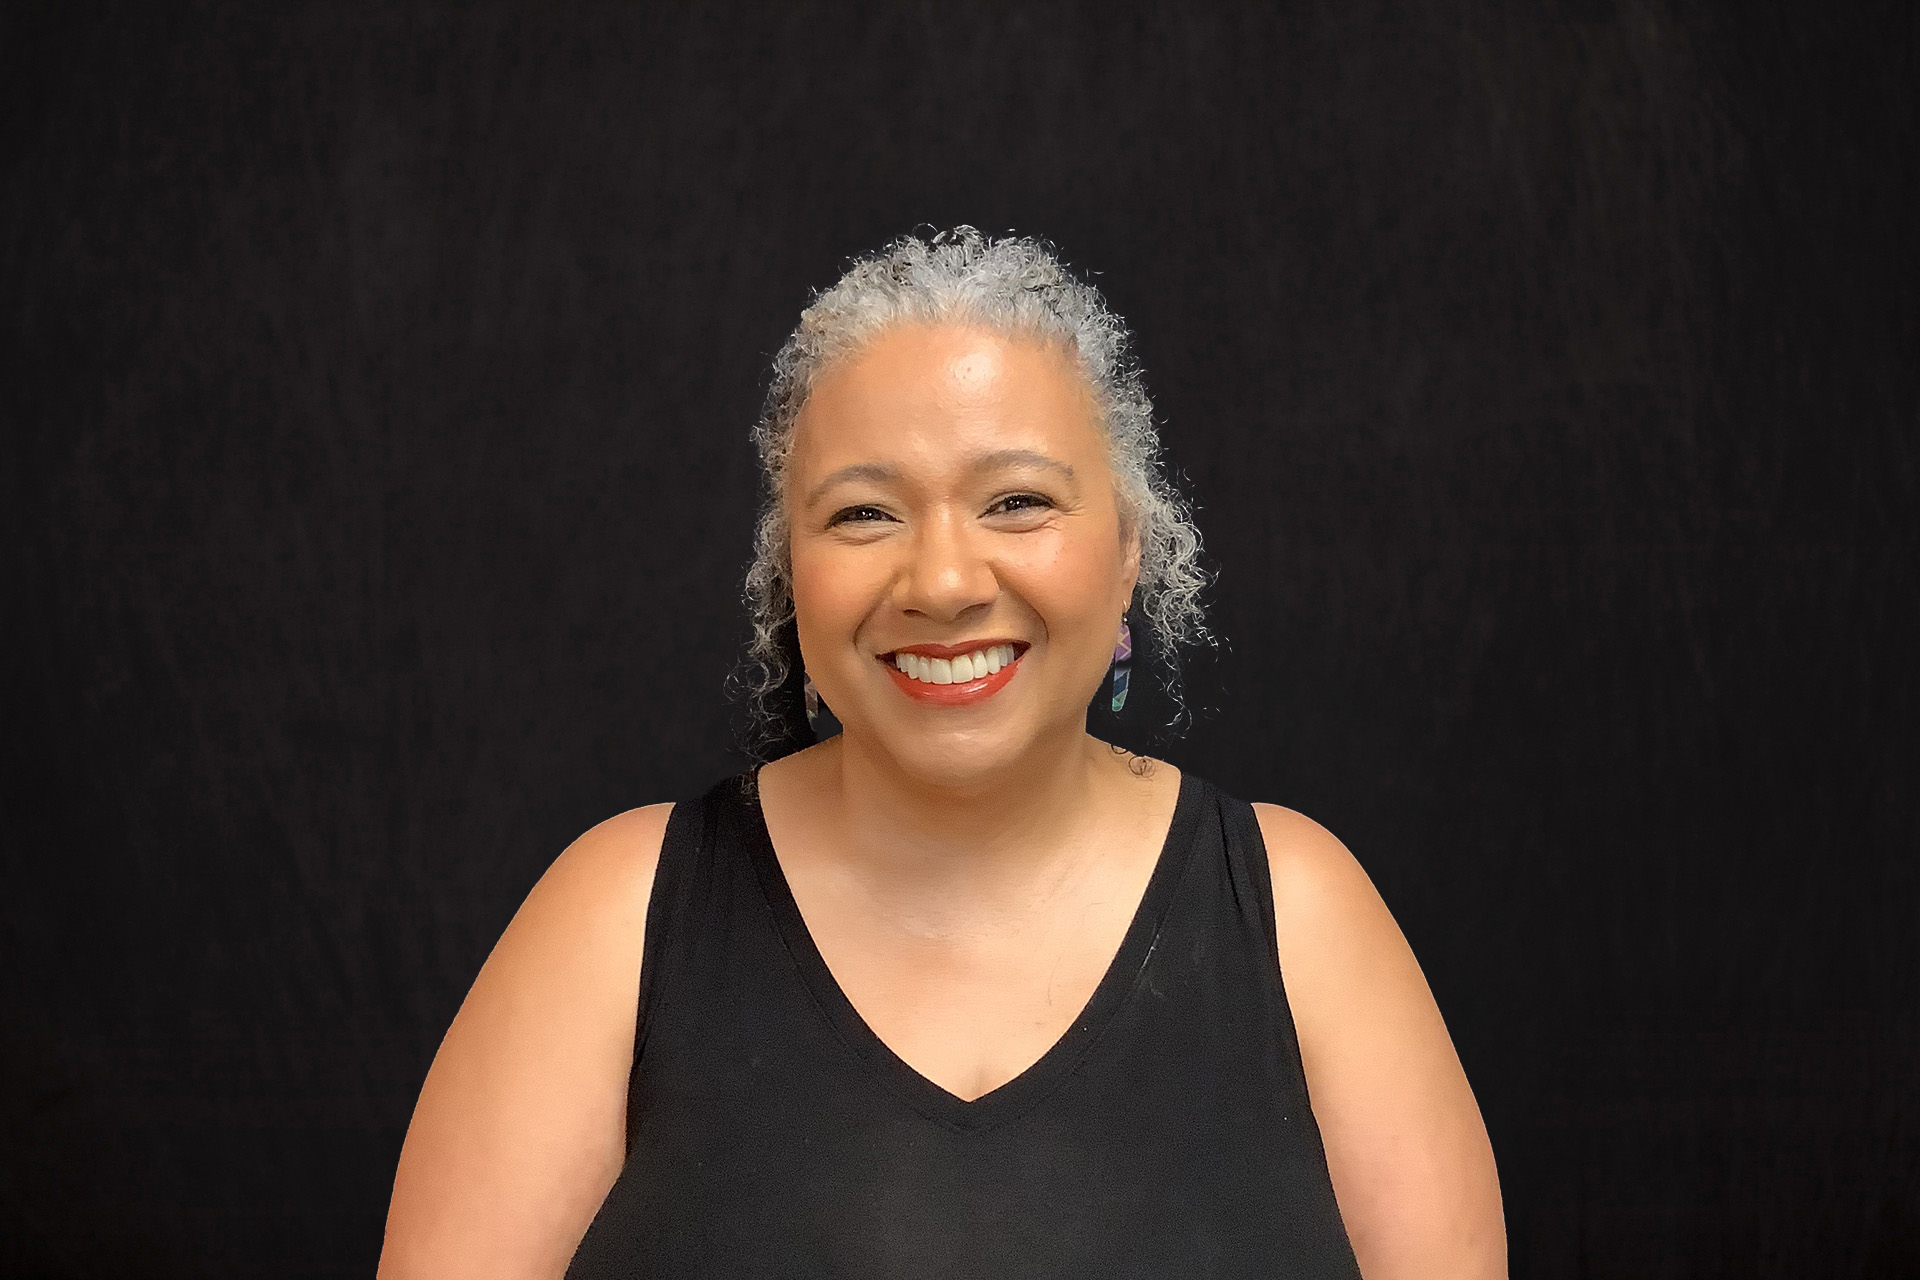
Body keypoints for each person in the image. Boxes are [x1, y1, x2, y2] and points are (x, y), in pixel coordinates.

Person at [378, 228, 1505, 1279]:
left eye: (1017, 500)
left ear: (1129, 549)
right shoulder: (616, 917)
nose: (945, 582)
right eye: (865, 514)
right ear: (791, 573)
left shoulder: (1300, 912)